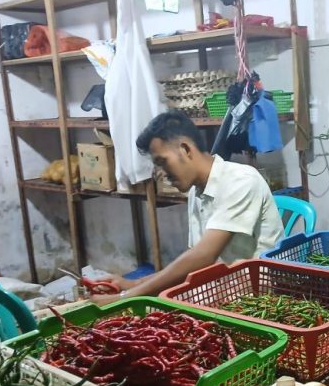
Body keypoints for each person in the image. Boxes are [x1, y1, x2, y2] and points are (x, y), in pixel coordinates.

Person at [91, 110, 284, 304]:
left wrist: (126, 297)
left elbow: (204, 256)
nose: (161, 174)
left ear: (185, 149)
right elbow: (196, 265)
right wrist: (133, 284)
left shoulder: (241, 181)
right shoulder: (196, 191)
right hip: (223, 289)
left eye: (162, 162)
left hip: (261, 296)